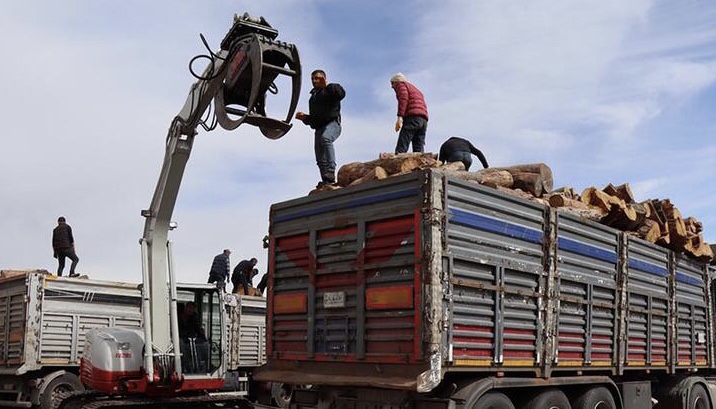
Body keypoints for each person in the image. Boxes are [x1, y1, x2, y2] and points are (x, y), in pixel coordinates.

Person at [295, 69, 346, 188]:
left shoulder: (331, 89)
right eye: (313, 79)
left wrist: (327, 86)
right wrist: (305, 118)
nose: (314, 81)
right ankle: (326, 180)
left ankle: (331, 172)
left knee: (325, 139)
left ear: (324, 78)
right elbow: (314, 121)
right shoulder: (312, 99)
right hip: (319, 127)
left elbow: (341, 94)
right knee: (319, 154)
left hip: (333, 124)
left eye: (317, 78)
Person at [390, 72, 429, 154]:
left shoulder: (400, 85)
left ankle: (397, 162)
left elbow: (403, 99)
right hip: (423, 120)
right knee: (418, 147)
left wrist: (400, 117)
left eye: (392, 83)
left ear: (396, 81)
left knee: (403, 141)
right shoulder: (415, 89)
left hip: (412, 117)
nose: (392, 87)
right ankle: (420, 164)